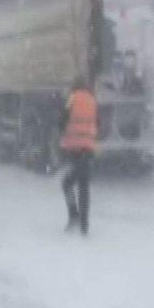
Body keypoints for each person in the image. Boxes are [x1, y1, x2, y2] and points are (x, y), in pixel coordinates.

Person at [60, 77, 98, 235]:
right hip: (88, 148)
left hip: (74, 148)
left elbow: (62, 120)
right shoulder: (92, 100)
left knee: (67, 183)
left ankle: (73, 215)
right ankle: (84, 224)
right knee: (84, 186)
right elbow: (98, 122)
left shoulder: (72, 98)